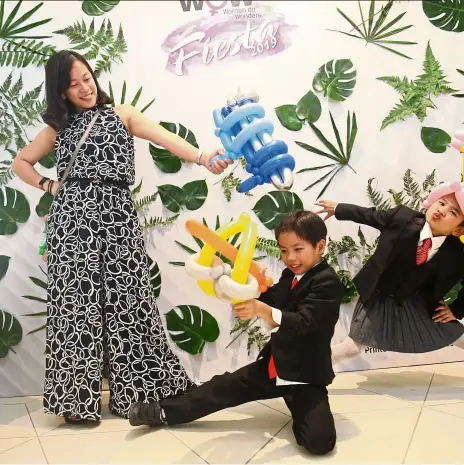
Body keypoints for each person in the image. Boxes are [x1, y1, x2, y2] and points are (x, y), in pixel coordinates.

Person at [11, 50, 232, 423]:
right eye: (74, 83)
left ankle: (137, 393)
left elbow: (166, 138)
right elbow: (20, 162)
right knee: (75, 308)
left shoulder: (122, 114)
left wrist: (203, 156)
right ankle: (76, 403)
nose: (85, 87)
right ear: (61, 92)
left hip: (117, 217)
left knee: (129, 301)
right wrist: (49, 185)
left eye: (88, 78)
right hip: (72, 221)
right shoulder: (57, 129)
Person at [128, 210, 344, 456]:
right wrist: (254, 285)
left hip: (305, 376)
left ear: (320, 246)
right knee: (224, 387)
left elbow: (306, 321)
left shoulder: (327, 281)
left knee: (319, 443)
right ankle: (162, 411)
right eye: (284, 251)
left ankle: (298, 404)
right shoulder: (288, 276)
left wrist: (260, 308)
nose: (290, 257)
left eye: (297, 249)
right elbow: (273, 300)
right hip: (276, 366)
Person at [315, 181, 464, 366]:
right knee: (352, 349)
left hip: (412, 301)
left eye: (453, 212)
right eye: (442, 203)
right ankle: (302, 369)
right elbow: (369, 215)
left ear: (458, 230)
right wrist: (338, 208)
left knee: (455, 334)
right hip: (379, 295)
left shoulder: (457, 253)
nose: (442, 210)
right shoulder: (402, 218)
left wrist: (456, 310)